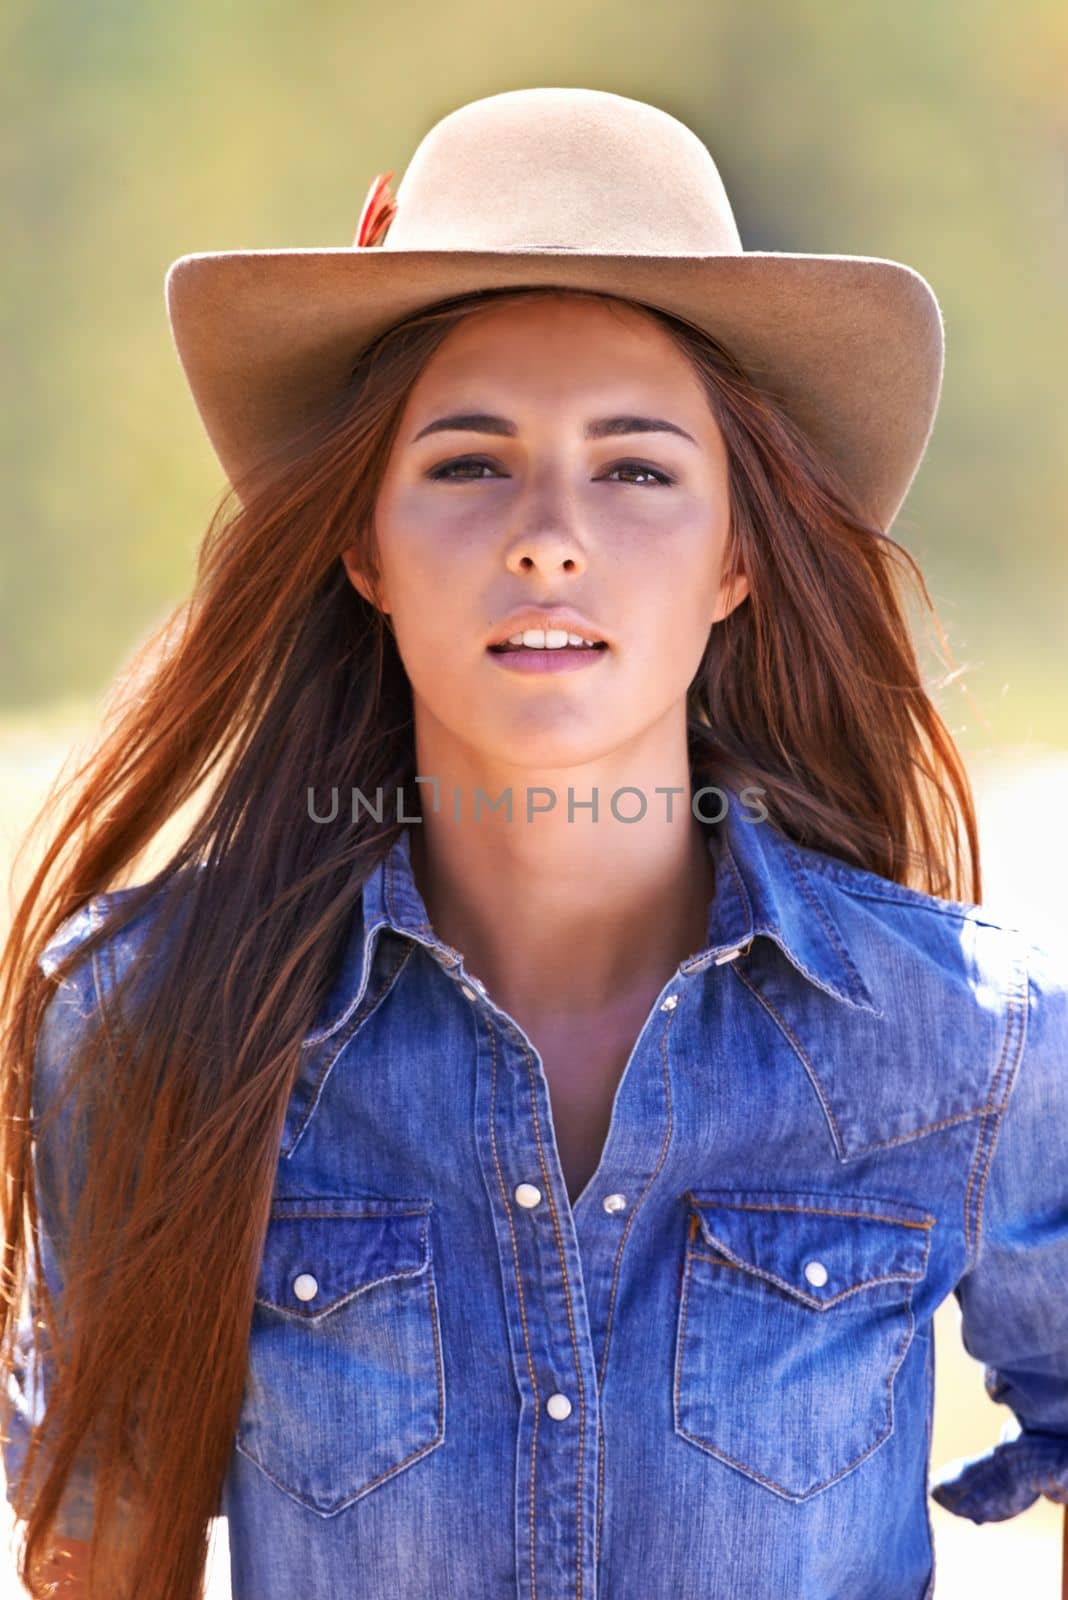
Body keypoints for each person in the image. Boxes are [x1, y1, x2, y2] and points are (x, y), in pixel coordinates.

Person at [1, 86, 1065, 1600]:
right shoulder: (150, 1019)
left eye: (636, 470)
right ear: (363, 544)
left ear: (738, 557)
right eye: (467, 461)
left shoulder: (975, 1040)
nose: (549, 534)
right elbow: (96, 1553)